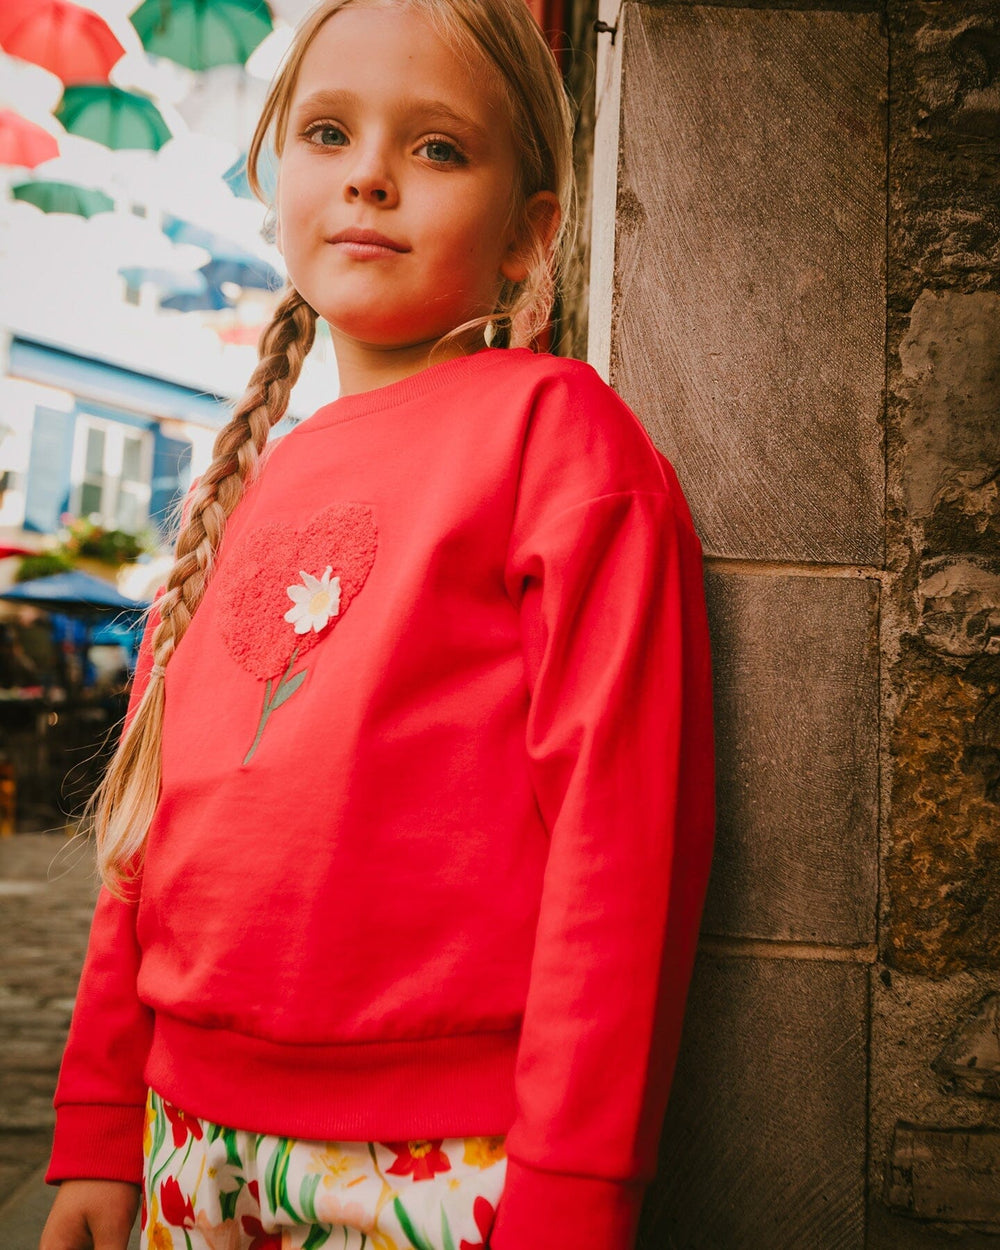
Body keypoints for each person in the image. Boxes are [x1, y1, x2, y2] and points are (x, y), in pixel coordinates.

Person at [40, 1, 715, 1247]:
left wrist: (576, 1180)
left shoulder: (557, 437)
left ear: (530, 231)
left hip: (446, 1159)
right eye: (327, 132)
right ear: (274, 181)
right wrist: (96, 1115)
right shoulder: (240, 491)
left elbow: (623, 835)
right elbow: (143, 835)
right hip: (186, 1139)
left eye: (437, 147)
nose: (368, 174)